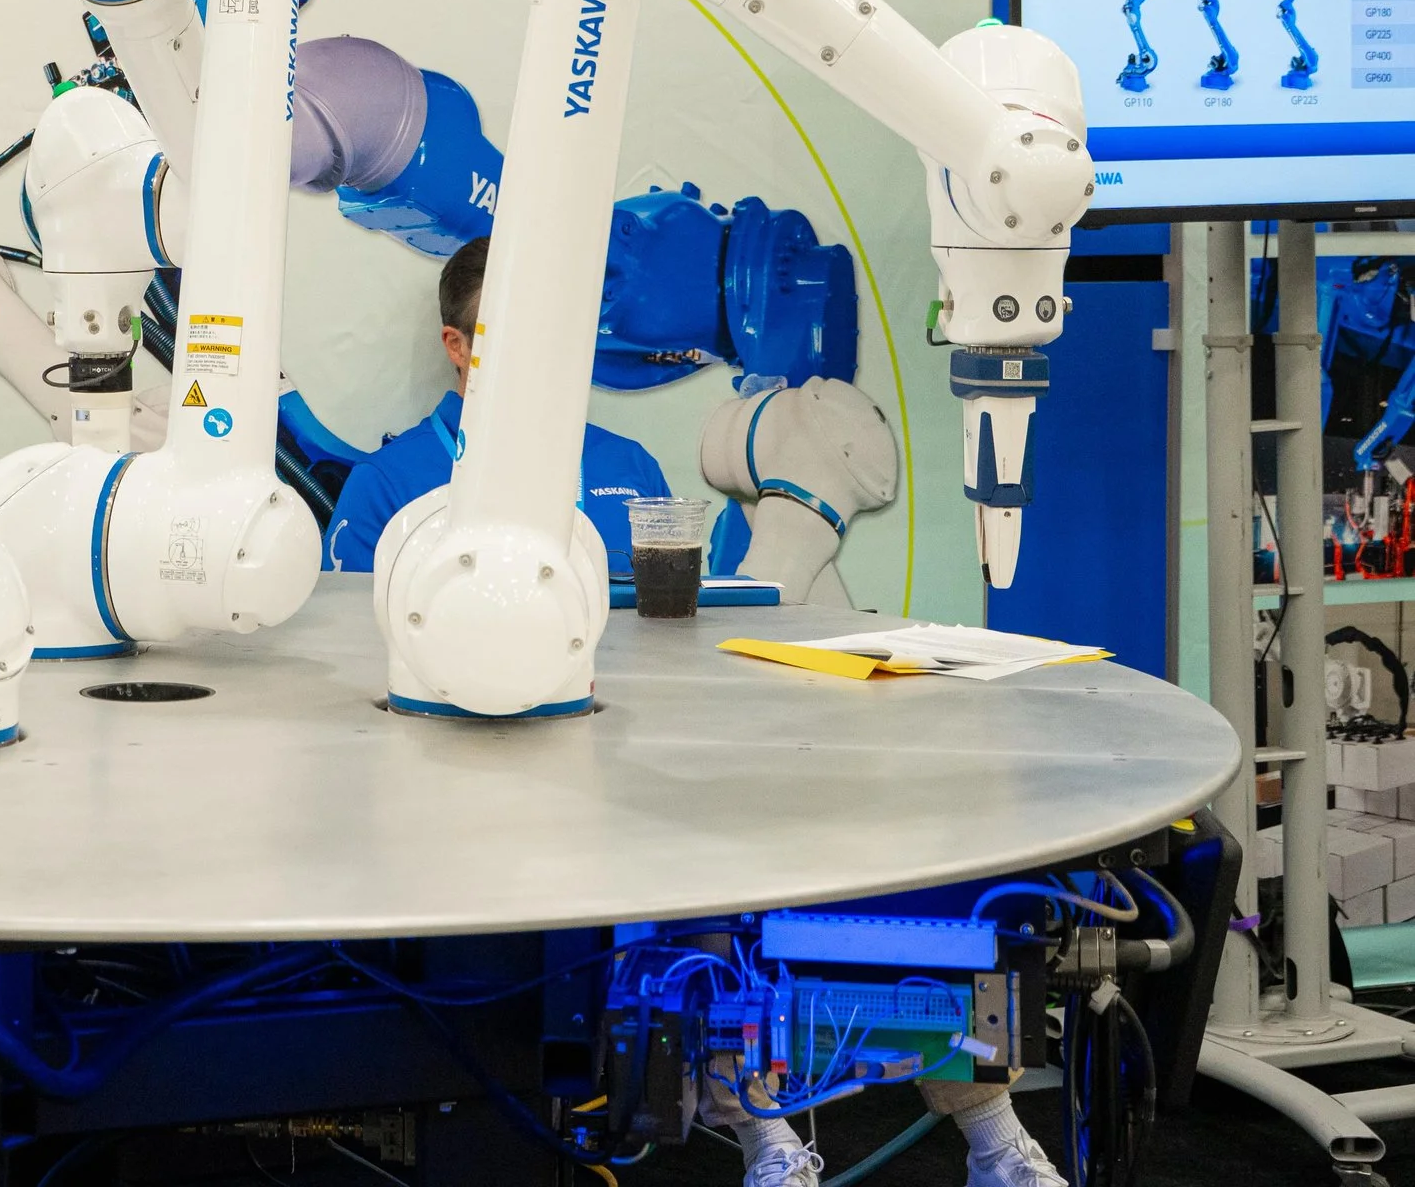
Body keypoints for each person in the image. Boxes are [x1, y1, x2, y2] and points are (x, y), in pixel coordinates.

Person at [327, 239, 1067, 1187]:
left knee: (838, 872)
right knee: (702, 929)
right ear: (457, 346)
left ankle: (990, 1139)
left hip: (631, 773)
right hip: (459, 808)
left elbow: (682, 636)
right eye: (519, 337)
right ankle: (765, 1135)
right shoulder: (390, 489)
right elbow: (347, 672)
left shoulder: (624, 464)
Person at [320, 235, 669, 576]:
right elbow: (349, 631)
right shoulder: (385, 484)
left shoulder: (632, 465)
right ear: (458, 346)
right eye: (516, 334)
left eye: (560, 330)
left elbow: (678, 624)